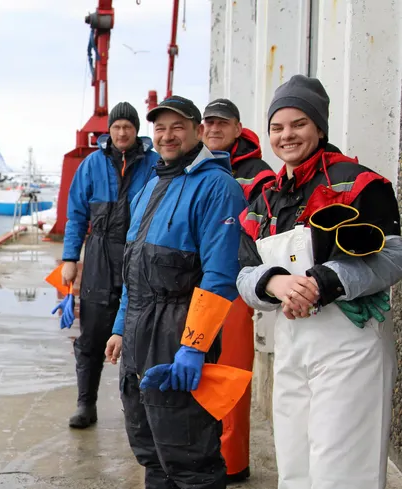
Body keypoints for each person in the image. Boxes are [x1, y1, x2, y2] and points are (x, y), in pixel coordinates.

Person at [236, 74, 402, 489]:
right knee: (295, 468)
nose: (286, 135)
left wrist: (324, 281)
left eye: (298, 124)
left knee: (342, 472)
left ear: (320, 126)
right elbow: (242, 268)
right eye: (277, 127)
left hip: (350, 346)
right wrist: (274, 284)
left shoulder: (361, 182)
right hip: (291, 346)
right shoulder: (266, 197)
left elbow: (395, 255)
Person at [105, 95, 247, 488]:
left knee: (189, 457)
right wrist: (119, 328)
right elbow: (134, 270)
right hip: (138, 333)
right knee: (150, 449)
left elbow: (219, 276)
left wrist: (194, 346)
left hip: (178, 332)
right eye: (160, 128)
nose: (167, 136)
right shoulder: (151, 184)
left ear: (198, 131)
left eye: (177, 127)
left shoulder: (219, 187)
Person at [59, 101, 160, 429]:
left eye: (128, 127)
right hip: (100, 254)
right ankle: (85, 403)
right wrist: (70, 259)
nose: (122, 132)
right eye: (116, 127)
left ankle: (142, 410)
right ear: (109, 130)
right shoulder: (91, 164)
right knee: (91, 334)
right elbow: (76, 215)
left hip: (140, 253)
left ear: (136, 131)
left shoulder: (154, 164)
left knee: (140, 331)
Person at [201, 97, 276, 483]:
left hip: (233, 288)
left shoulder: (258, 173)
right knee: (199, 373)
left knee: (232, 376)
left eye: (222, 123)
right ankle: (200, 454)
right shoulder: (194, 166)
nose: (213, 129)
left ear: (237, 128)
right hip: (197, 285)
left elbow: (260, 232)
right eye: (208, 123)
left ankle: (233, 463)